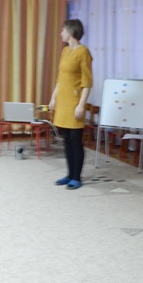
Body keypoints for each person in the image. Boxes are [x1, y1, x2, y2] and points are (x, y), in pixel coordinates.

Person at [49, 19, 93, 190]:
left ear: (71, 32)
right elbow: (60, 78)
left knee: (75, 140)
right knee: (66, 140)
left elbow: (87, 82)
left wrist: (81, 105)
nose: (61, 33)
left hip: (75, 101)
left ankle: (76, 177)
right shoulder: (65, 50)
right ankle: (69, 174)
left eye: (63, 30)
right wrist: (53, 98)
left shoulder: (83, 52)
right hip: (63, 101)